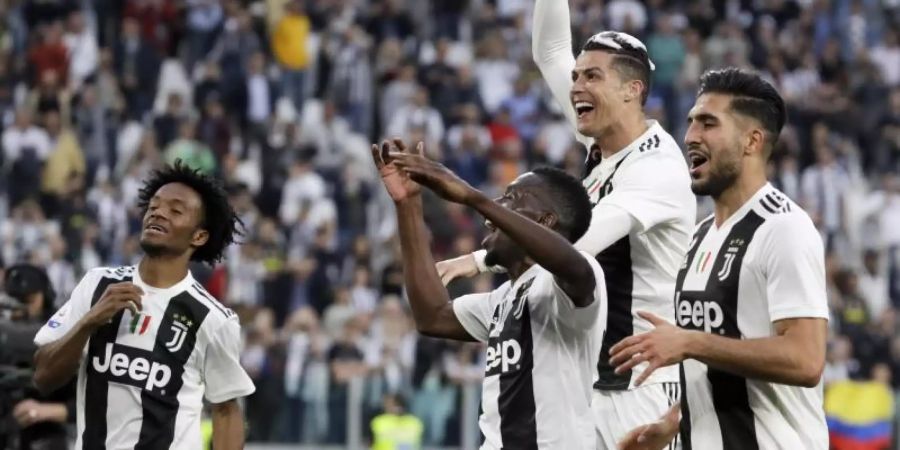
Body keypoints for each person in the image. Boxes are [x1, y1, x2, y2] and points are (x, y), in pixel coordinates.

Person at [437, 1, 695, 447]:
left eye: (591, 76)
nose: (576, 85)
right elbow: (552, 50)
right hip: (592, 383)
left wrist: (482, 258)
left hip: (640, 388)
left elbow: (579, 245)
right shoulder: (604, 140)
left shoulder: (657, 169)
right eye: (577, 77)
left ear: (632, 90)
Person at [611, 68, 829, 450]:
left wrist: (690, 342)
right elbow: (718, 360)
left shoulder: (783, 229)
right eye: (692, 122)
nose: (691, 136)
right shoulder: (698, 236)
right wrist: (676, 422)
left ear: (752, 140)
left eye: (708, 124)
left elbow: (806, 359)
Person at [373, 138, 607, 449]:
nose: (491, 215)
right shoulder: (502, 300)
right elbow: (431, 316)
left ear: (545, 220)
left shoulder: (568, 282)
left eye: (510, 198)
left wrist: (473, 197)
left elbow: (574, 268)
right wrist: (408, 205)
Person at [31, 162, 255, 450]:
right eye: (154, 205)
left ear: (198, 236)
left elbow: (226, 410)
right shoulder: (97, 284)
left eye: (175, 210)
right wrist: (89, 321)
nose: (158, 212)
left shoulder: (212, 319)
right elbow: (43, 377)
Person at [2, 264, 73, 450]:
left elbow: (90, 402)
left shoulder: (62, 336)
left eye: (29, 301)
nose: (20, 311)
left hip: (45, 435)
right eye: (14, 303)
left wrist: (45, 411)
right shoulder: (5, 336)